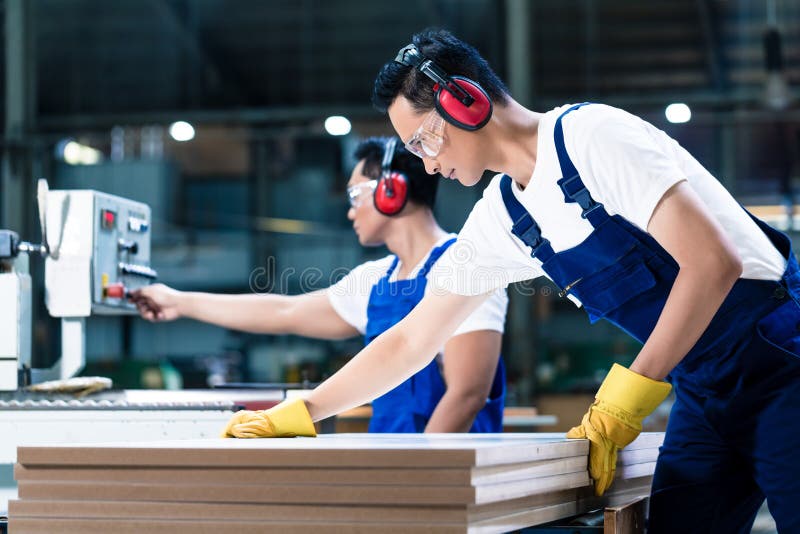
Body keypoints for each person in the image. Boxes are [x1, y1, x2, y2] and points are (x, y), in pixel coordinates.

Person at [218, 28, 800, 532]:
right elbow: (412, 339)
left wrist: (622, 403)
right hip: (703, 389)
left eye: (421, 140)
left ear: (466, 102)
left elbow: (711, 264)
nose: (424, 164)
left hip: (781, 359)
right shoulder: (505, 218)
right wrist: (304, 409)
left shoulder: (591, 139)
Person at [131, 136, 508, 434]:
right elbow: (285, 311)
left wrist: (425, 479)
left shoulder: (467, 265)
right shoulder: (376, 280)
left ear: (391, 190)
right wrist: (180, 302)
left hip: (450, 477)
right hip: (397, 464)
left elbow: (467, 393)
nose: (349, 211)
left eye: (354, 196)